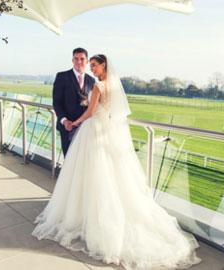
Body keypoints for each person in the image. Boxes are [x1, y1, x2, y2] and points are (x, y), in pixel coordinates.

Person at [32, 54, 201, 269]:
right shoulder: (112, 85)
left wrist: (75, 121)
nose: (92, 68)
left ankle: (88, 215)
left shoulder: (98, 86)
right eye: (90, 65)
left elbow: (91, 112)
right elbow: (111, 111)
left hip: (93, 131)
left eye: (94, 65)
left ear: (103, 65)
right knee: (110, 175)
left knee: (92, 174)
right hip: (108, 131)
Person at [52, 47, 95, 157]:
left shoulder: (91, 80)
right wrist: (65, 121)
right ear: (72, 60)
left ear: (87, 61)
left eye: (82, 59)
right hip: (67, 127)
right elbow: (56, 102)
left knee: (82, 158)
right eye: (76, 59)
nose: (79, 62)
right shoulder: (62, 76)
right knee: (69, 158)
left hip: (85, 127)